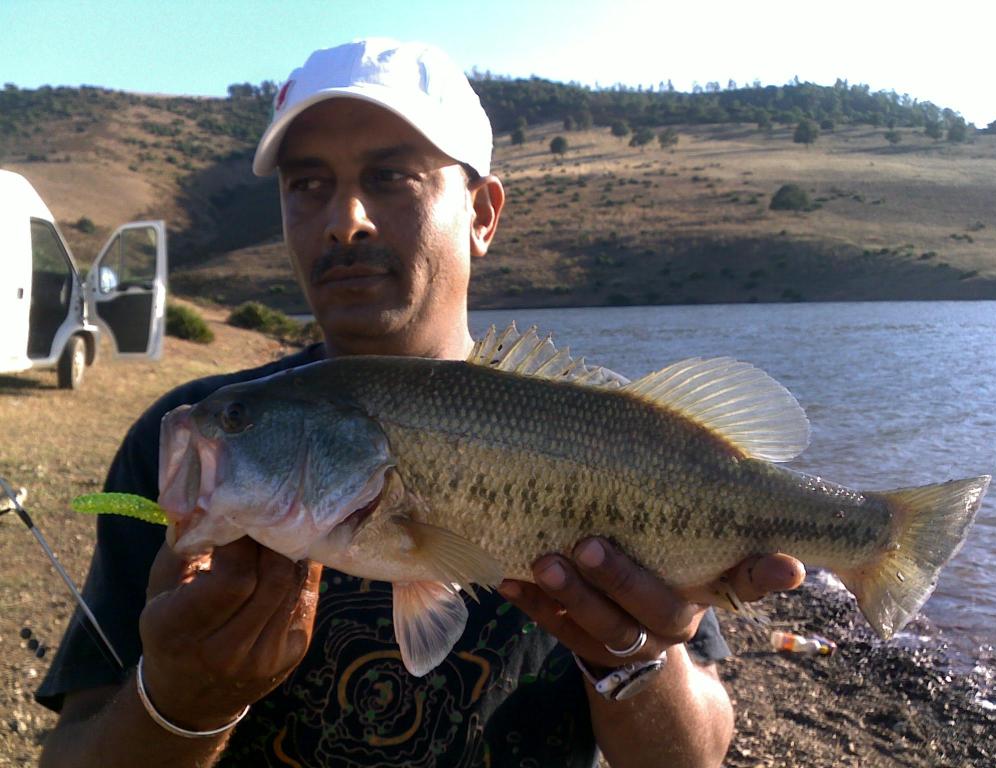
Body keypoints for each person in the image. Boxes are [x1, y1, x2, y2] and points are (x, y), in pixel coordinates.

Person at [37, 38, 805, 768]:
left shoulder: (610, 433)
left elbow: (695, 755)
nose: (344, 219)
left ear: (481, 214)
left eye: (390, 176)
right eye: (307, 185)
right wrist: (177, 700)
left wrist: (633, 662)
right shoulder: (177, 441)